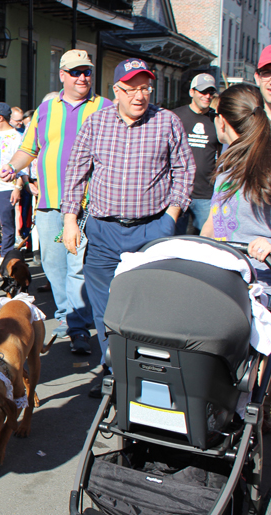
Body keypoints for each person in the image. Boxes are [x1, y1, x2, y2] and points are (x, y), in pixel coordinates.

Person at [62, 58, 195, 395]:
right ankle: (114, 375)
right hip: (104, 231)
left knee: (151, 310)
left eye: (145, 88)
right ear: (116, 91)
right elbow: (76, 172)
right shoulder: (96, 122)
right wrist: (69, 219)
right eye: (132, 88)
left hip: (152, 230)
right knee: (106, 310)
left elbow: (184, 170)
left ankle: (149, 378)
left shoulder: (167, 121)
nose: (140, 95)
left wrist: (171, 218)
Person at [0, 52, 108, 355]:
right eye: (75, 72)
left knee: (78, 266)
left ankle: (78, 326)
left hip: (87, 204)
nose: (82, 77)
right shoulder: (46, 109)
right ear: (62, 75)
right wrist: (13, 166)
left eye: (87, 71)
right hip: (49, 201)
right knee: (53, 265)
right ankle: (65, 315)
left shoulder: (104, 107)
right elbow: (28, 148)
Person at [202, 84, 271, 297]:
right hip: (225, 278)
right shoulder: (227, 162)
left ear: (222, 121)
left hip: (263, 285)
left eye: (213, 115)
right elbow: (213, 222)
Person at [172, 74, 221, 235]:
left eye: (210, 92)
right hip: (179, 192)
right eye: (202, 91)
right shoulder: (175, 116)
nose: (207, 96)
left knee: (206, 241)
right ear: (192, 92)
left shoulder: (217, 120)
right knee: (176, 239)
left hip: (206, 194)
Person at [0, 102, 25, 262]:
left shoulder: (16, 136)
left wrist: (17, 187)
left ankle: (5, 253)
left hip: (6, 186)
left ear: (0, 117)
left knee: (5, 222)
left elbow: (23, 165)